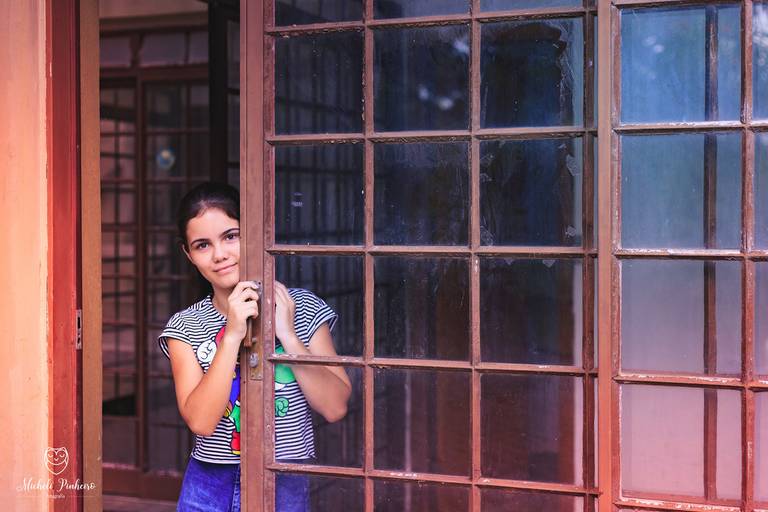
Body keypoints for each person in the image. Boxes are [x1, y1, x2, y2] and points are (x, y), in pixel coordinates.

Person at [157, 182, 352, 511]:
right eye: (203, 245)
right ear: (188, 254)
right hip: (209, 485)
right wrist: (232, 335)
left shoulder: (303, 309)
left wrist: (288, 335)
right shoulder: (185, 326)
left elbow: (335, 408)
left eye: (231, 236)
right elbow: (201, 422)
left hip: (285, 479)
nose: (220, 254)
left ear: (254, 233)